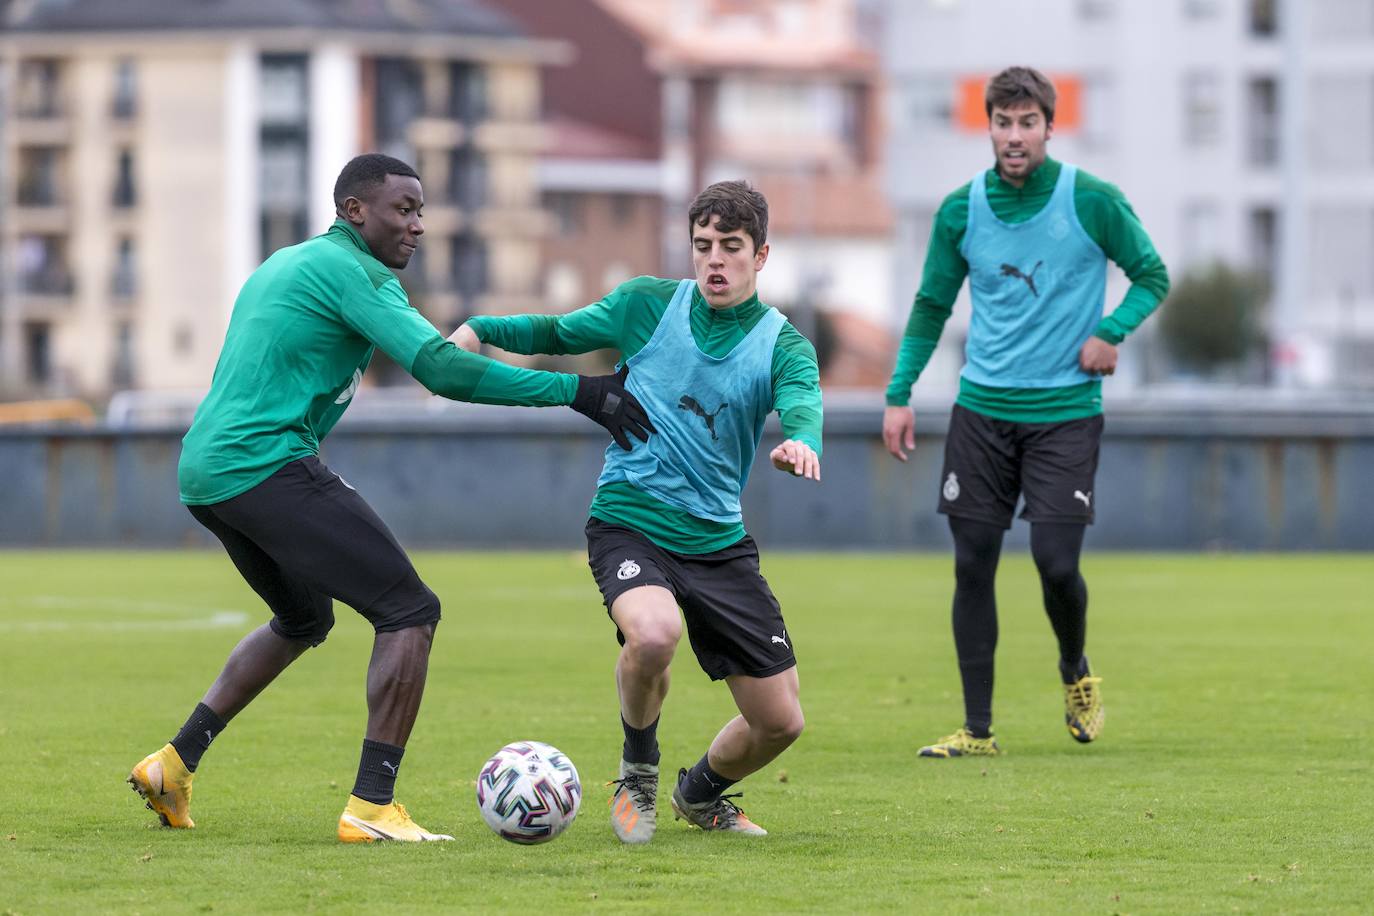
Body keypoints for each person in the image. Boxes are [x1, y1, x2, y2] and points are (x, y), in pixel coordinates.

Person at [127, 153, 653, 842]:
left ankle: (173, 763)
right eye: (403, 210)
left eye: (421, 211)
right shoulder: (354, 272)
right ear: (354, 211)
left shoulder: (291, 262)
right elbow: (439, 368)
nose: (418, 225)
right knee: (409, 610)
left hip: (208, 473)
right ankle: (371, 807)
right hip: (263, 465)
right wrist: (578, 390)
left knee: (303, 620)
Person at [451, 180, 822, 842]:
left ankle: (698, 794)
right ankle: (638, 774)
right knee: (653, 634)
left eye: (730, 248)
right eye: (703, 245)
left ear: (761, 256)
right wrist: (482, 328)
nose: (714, 260)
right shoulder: (647, 304)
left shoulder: (783, 344)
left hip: (717, 542)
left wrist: (802, 441)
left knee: (781, 723)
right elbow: (557, 331)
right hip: (631, 519)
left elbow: (802, 401)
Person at [881, 67, 1169, 758]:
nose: (1014, 136)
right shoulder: (960, 210)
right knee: (972, 564)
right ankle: (977, 731)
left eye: (1027, 123)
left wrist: (1110, 331)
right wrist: (899, 393)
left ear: (1049, 124)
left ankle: (1075, 668)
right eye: (1002, 124)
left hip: (1065, 413)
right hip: (981, 413)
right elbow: (930, 306)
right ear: (990, 127)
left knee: (1055, 564)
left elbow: (1152, 274)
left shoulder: (1090, 200)